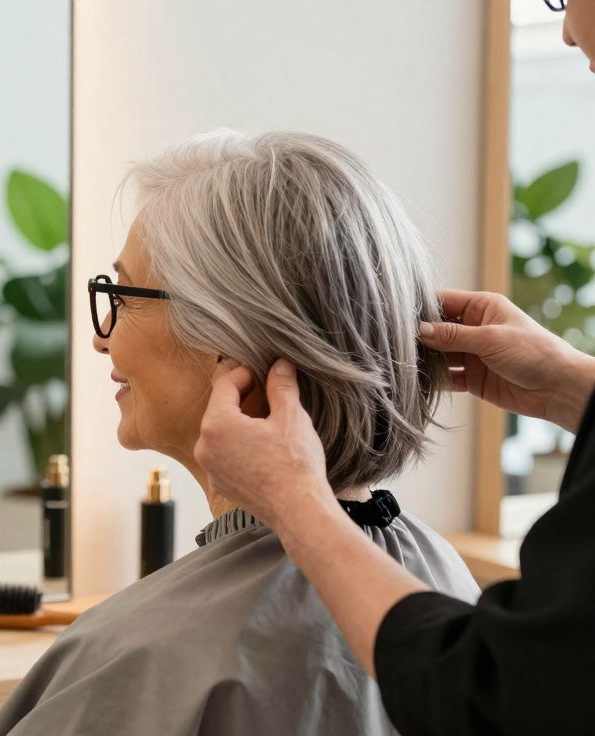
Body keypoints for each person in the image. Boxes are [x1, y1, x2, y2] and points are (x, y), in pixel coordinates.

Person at [0, 130, 479, 736]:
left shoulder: (140, 655)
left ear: (230, 343)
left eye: (124, 295)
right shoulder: (444, 583)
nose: (101, 334)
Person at [195, 2, 595, 734]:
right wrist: (578, 388)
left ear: (233, 347)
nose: (566, 28)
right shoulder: (435, 564)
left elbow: (505, 700)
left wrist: (301, 507)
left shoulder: (138, 644)